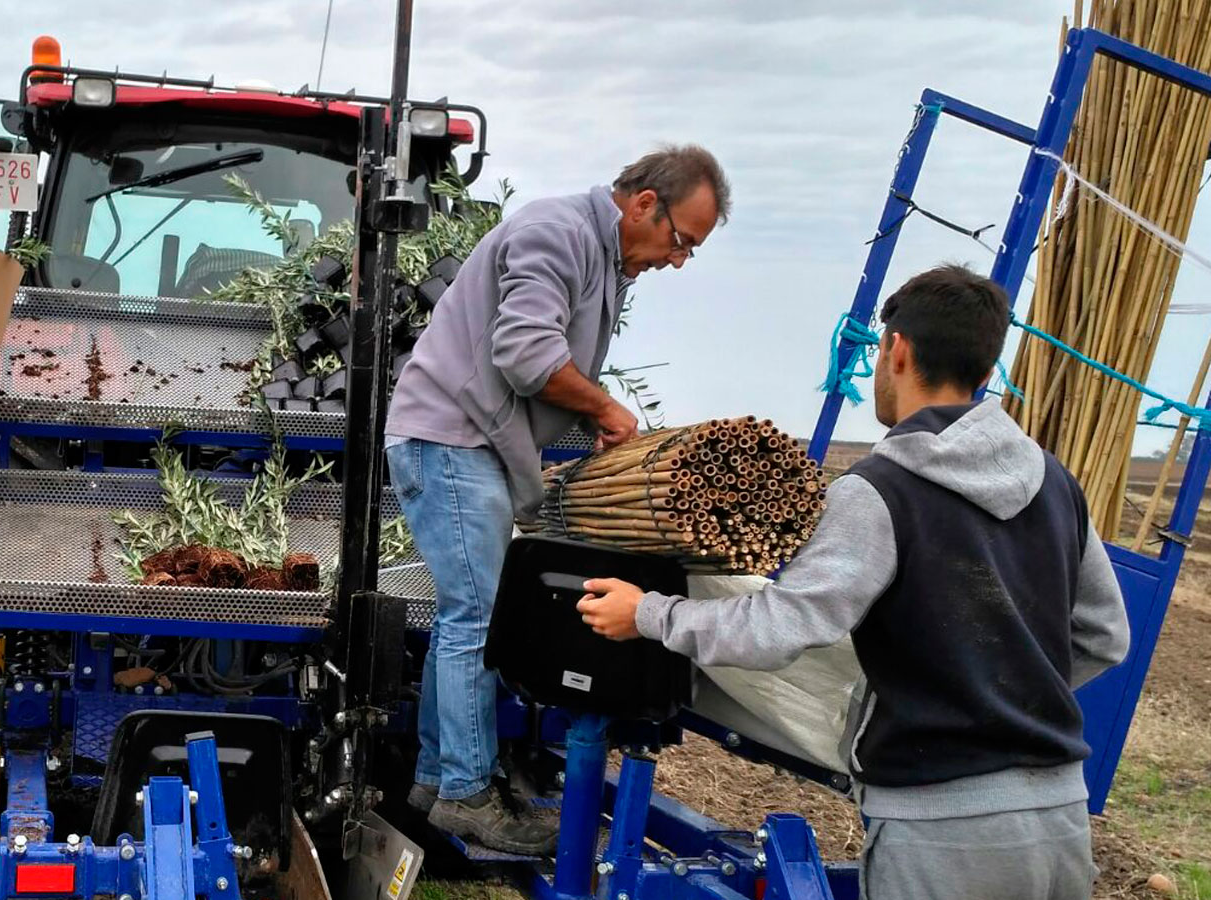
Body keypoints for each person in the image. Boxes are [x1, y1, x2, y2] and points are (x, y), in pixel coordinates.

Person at [577, 264, 1128, 899]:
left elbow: (778, 628)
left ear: (897, 348)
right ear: (984, 367)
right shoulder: (1056, 483)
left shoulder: (882, 491)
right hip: (1061, 820)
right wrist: (1002, 693)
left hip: (943, 833)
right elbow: (1104, 636)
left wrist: (648, 612)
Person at [385, 145, 730, 853]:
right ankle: (466, 794)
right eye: (681, 241)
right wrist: (605, 408)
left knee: (465, 616)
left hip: (471, 443)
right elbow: (525, 353)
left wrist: (587, 419)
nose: (677, 261)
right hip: (451, 439)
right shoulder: (558, 232)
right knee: (476, 618)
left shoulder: (600, 255)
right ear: (643, 205)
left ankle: (432, 780)